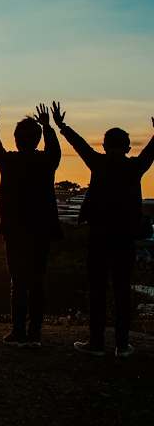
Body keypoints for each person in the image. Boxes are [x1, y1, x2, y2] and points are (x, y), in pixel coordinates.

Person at [52, 102, 154, 357]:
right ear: (128, 147)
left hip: (98, 236)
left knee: (97, 289)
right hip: (125, 237)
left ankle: (96, 341)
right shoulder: (135, 167)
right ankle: (122, 344)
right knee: (122, 289)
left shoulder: (98, 163)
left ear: (105, 146)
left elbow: (80, 145)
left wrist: (62, 126)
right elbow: (151, 151)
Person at [0, 103, 63, 348]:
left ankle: (18, 332)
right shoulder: (46, 161)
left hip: (15, 232)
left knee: (17, 283)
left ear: (16, 140)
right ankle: (35, 334)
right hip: (41, 232)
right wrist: (48, 126)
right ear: (38, 139)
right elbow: (55, 150)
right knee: (36, 281)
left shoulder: (9, 162)